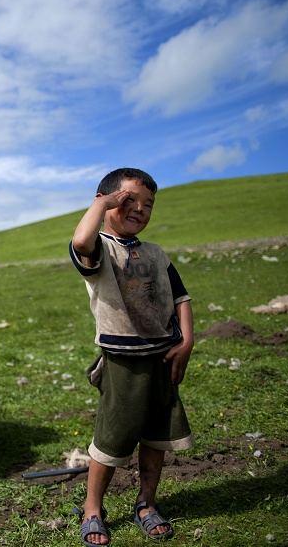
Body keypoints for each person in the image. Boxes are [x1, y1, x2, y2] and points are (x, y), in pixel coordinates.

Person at [68, 168, 194, 546]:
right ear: (105, 202)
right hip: (123, 361)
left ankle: (146, 503)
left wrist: (186, 341)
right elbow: (80, 238)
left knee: (157, 436)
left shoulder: (155, 253)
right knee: (111, 439)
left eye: (148, 204)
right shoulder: (99, 249)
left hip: (163, 357)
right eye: (129, 201)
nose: (139, 209)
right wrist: (102, 202)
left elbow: (182, 298)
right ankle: (93, 509)